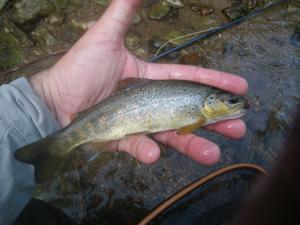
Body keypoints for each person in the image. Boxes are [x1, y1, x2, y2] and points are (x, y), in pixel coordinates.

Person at [0, 0, 248, 224]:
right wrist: (48, 99)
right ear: (211, 103)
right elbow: (185, 130)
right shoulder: (200, 112)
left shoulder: (202, 108)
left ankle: (52, 148)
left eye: (232, 101)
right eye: (230, 101)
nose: (237, 105)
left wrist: (46, 99)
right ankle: (55, 147)